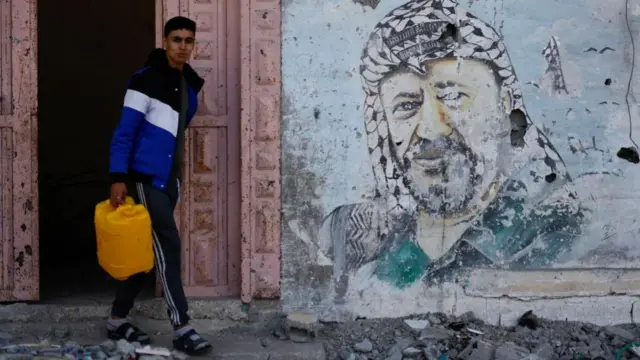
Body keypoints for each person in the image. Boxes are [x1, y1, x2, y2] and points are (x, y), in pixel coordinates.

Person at [316, 0, 585, 304]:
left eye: (454, 97)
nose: (432, 128)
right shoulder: (391, 250)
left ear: (505, 103)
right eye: (406, 106)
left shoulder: (551, 229)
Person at [107, 16, 212, 355]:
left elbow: (177, 132)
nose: (183, 46)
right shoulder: (144, 80)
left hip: (169, 182)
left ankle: (117, 320)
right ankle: (182, 327)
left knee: (144, 254)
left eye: (189, 41)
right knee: (168, 245)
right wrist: (118, 177)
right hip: (143, 179)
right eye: (177, 39)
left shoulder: (189, 85)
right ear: (165, 41)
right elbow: (125, 132)